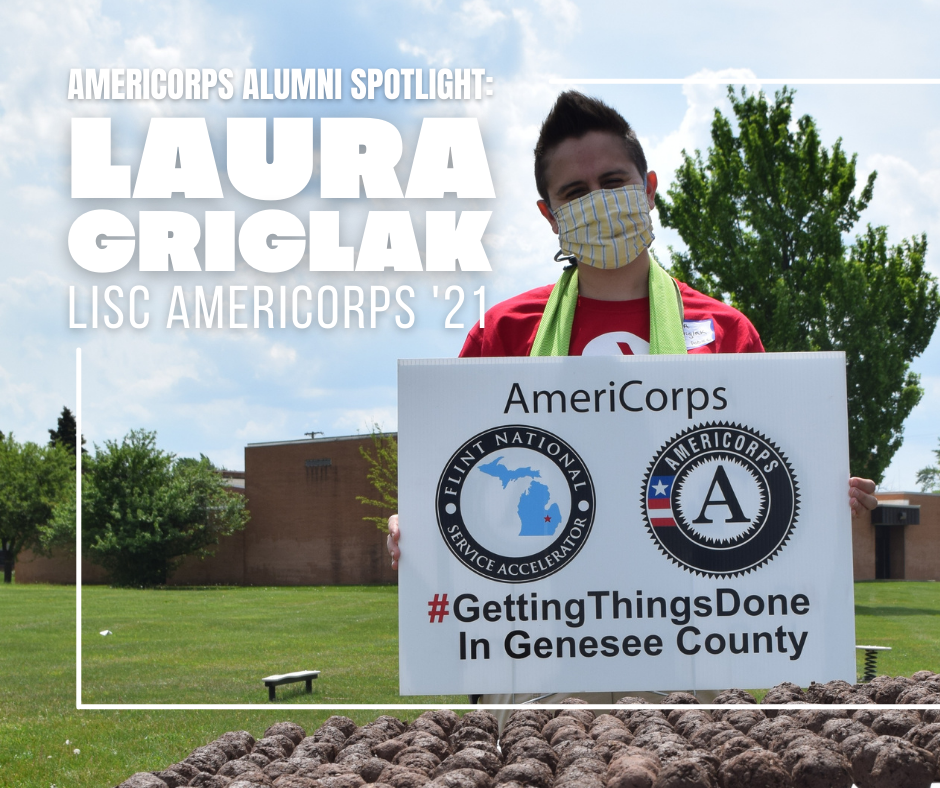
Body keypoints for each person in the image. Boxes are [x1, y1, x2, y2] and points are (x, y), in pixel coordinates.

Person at [387, 91, 878, 708]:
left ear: (647, 188)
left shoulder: (726, 332)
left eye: (613, 181)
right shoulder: (505, 333)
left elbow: (764, 478)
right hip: (540, 650)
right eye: (575, 192)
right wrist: (419, 524)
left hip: (693, 650)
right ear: (549, 214)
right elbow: (461, 478)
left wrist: (823, 500)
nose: (597, 201)